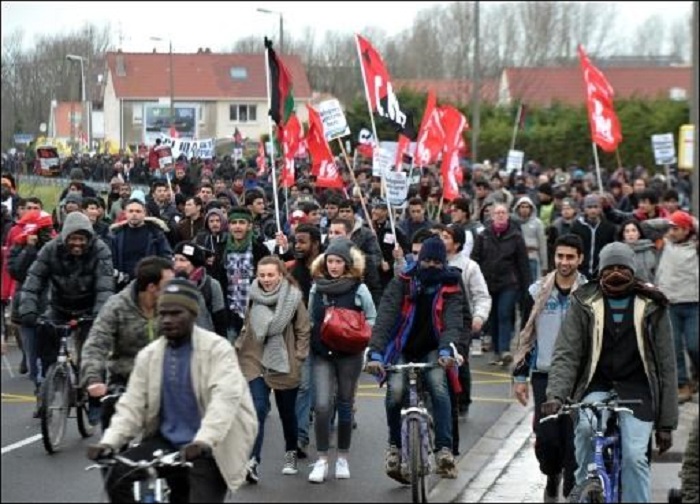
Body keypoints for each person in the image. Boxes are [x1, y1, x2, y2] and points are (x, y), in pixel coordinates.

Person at [86, 278, 259, 503]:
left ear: (193, 314)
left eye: (176, 313)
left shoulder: (218, 350)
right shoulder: (149, 355)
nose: (167, 320)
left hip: (211, 446)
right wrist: (109, 442)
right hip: (167, 442)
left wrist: (203, 441)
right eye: (163, 313)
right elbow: (132, 405)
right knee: (118, 473)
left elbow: (224, 401)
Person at [543, 242, 678, 503]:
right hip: (596, 385)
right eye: (610, 268)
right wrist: (556, 395)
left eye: (622, 268)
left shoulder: (653, 305)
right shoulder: (583, 301)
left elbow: (666, 365)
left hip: (639, 391)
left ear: (633, 271)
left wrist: (666, 423)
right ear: (600, 272)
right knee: (584, 430)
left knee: (634, 458)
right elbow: (566, 354)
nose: (616, 273)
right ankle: (583, 488)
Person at [366, 236, 463, 482]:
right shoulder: (402, 282)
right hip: (402, 346)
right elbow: (386, 317)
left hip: (434, 349)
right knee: (395, 391)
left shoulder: (451, 285)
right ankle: (395, 447)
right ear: (419, 260)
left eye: (436, 261)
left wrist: (446, 351)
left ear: (444, 262)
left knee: (439, 388)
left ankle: (444, 450)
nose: (431, 265)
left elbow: (452, 323)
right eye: (426, 260)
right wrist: (376, 352)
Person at [512, 234, 588, 501]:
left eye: (570, 257)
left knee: (573, 441)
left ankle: (570, 491)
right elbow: (527, 335)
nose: (564, 262)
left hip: (579, 377)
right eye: (560, 256)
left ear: (580, 259)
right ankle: (551, 474)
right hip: (544, 374)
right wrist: (519, 376)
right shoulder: (536, 291)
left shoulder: (590, 293)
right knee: (547, 439)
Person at [307, 237, 377, 483]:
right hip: (321, 354)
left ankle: (343, 458)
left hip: (349, 354)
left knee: (345, 404)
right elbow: (310, 319)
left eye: (338, 261)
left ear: (347, 263)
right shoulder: (317, 287)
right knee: (322, 406)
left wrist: (362, 340)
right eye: (330, 261)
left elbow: (371, 318)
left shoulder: (359, 289)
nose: (333, 266)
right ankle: (322, 459)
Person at [236, 256, 311, 483]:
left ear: (280, 275)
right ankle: (253, 461)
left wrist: (298, 357)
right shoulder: (253, 296)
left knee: (287, 413)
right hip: (254, 358)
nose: (266, 279)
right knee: (257, 408)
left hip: (284, 361)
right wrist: (239, 346)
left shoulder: (293, 298)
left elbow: (303, 330)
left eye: (270, 275)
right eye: (262, 275)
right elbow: (248, 326)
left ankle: (290, 453)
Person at [80, 256, 175, 429]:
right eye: (168, 285)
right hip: (125, 381)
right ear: (151, 287)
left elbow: (194, 339)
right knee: (113, 440)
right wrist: (93, 379)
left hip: (164, 381)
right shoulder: (117, 306)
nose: (173, 290)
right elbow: (96, 343)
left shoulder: (173, 307)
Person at [471, 202, 531, 366]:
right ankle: (496, 351)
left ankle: (505, 349)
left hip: (509, 283)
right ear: (491, 216)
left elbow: (523, 263)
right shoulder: (483, 236)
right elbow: (475, 259)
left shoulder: (516, 236)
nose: (500, 215)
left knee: (504, 313)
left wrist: (527, 287)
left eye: (503, 212)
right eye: (497, 213)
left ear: (508, 215)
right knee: (493, 317)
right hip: (488, 282)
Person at [655, 210, 699, 404]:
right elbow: (647, 226)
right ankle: (683, 384)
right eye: (671, 228)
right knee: (674, 348)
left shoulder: (696, 247)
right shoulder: (664, 244)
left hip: (693, 303)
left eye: (677, 228)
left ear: (687, 230)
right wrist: (669, 220)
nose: (672, 232)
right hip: (670, 302)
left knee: (694, 345)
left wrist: (693, 223)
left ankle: (696, 374)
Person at [110, 198, 172, 290]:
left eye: (138, 211)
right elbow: (112, 260)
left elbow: (166, 257)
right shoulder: (117, 235)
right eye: (131, 211)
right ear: (125, 214)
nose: (134, 214)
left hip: (149, 284)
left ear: (144, 213)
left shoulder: (156, 234)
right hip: (123, 285)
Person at [173, 241, 227, 337]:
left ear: (195, 263)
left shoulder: (211, 285)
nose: (177, 264)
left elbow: (220, 322)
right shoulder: (169, 285)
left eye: (182, 260)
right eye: (175, 259)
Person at [618, 219, 658, 284]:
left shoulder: (650, 249)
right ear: (623, 235)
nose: (630, 234)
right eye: (627, 231)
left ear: (639, 233)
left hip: (649, 288)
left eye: (634, 230)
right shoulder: (619, 252)